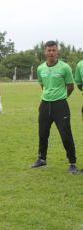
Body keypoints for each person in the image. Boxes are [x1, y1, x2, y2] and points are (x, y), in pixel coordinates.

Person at [31, 40, 79, 173]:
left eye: (53, 50)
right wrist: (46, 98)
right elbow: (43, 86)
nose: (51, 53)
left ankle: (72, 163)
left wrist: (61, 98)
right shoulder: (40, 68)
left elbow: (70, 87)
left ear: (57, 51)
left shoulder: (65, 67)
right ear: (45, 52)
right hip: (45, 104)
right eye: (49, 50)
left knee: (66, 135)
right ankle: (41, 159)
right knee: (42, 133)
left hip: (61, 105)